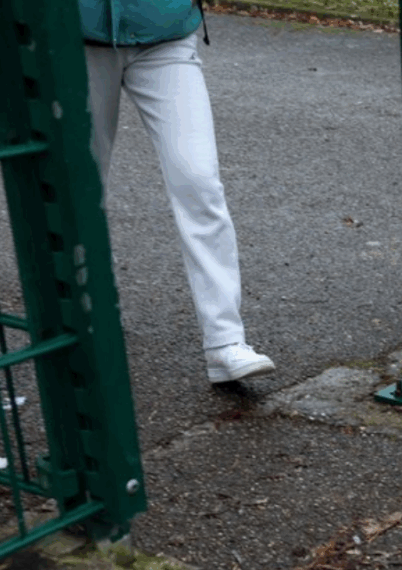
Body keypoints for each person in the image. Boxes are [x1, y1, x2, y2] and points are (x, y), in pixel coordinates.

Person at [78, 0, 275, 384]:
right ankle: (92, 313)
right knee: (82, 187)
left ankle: (225, 343)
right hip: (74, 38)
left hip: (165, 33)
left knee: (198, 181)